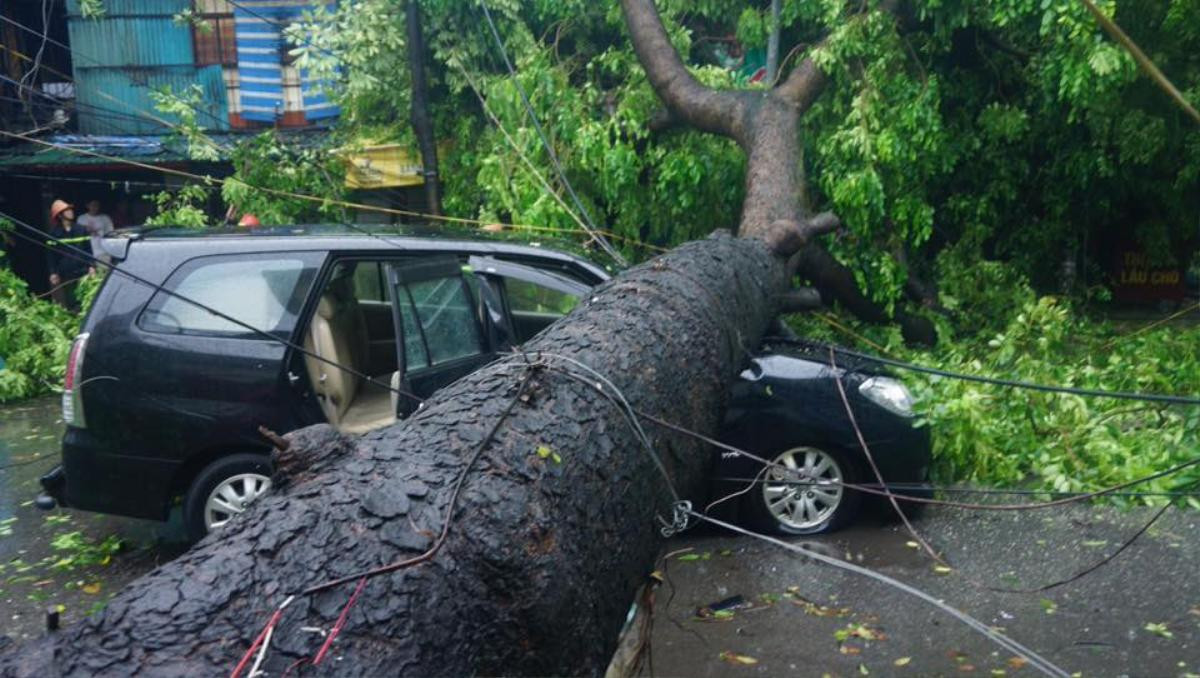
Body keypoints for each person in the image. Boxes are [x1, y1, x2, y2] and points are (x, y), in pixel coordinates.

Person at [45, 199, 92, 311]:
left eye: (70, 210)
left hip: (83, 271)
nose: (71, 212)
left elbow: (89, 250)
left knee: (87, 299)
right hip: (66, 274)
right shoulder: (54, 234)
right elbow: (51, 256)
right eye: (67, 210)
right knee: (72, 301)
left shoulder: (81, 229)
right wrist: (53, 273)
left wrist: (92, 266)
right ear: (60, 215)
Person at [76, 199, 114, 265]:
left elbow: (111, 234)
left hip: (103, 253)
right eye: (92, 205)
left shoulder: (105, 218)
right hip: (87, 254)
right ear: (87, 206)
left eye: (97, 205)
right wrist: (86, 230)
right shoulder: (81, 218)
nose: (95, 207)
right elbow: (78, 235)